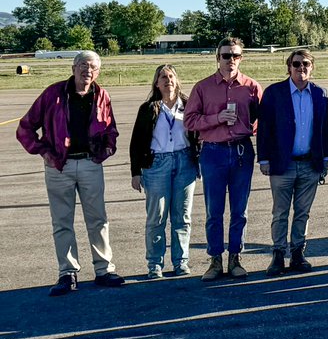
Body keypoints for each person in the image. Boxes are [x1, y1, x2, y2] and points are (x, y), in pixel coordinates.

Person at [17, 50, 124, 296]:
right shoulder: (53, 94)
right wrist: (43, 152)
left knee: (98, 220)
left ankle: (104, 270)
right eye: (84, 65)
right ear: (73, 68)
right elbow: (26, 128)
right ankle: (67, 272)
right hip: (59, 166)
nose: (88, 71)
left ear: (98, 71)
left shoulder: (101, 95)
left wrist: (105, 150)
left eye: (94, 67)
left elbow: (111, 129)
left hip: (90, 164)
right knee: (62, 221)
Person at [185, 37, 262, 282]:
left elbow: (263, 120)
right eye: (226, 55)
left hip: (241, 151)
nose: (231, 60)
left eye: (236, 55)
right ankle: (215, 260)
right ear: (217, 58)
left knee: (240, 210)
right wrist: (216, 117)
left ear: (241, 58)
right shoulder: (203, 87)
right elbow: (189, 121)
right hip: (213, 152)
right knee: (214, 210)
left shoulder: (251, 87)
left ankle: (235, 257)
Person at [258, 50, 328, 276]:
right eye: (296, 64)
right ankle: (278, 254)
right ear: (289, 67)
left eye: (306, 64)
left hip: (310, 164)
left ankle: (298, 253)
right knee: (280, 212)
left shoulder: (320, 94)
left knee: (303, 213)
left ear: (312, 67)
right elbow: (264, 129)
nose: (301, 68)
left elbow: (324, 130)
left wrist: (326, 159)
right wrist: (264, 158)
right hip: (282, 164)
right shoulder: (274, 93)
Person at [129, 64, 200, 278]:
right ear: (156, 83)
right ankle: (155, 264)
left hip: (184, 161)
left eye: (171, 76)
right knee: (156, 217)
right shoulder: (148, 108)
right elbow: (136, 142)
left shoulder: (188, 105)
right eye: (162, 77)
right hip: (156, 164)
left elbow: (198, 135)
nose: (167, 80)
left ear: (177, 80)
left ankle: (181, 262)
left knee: (182, 216)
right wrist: (136, 171)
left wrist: (198, 161)